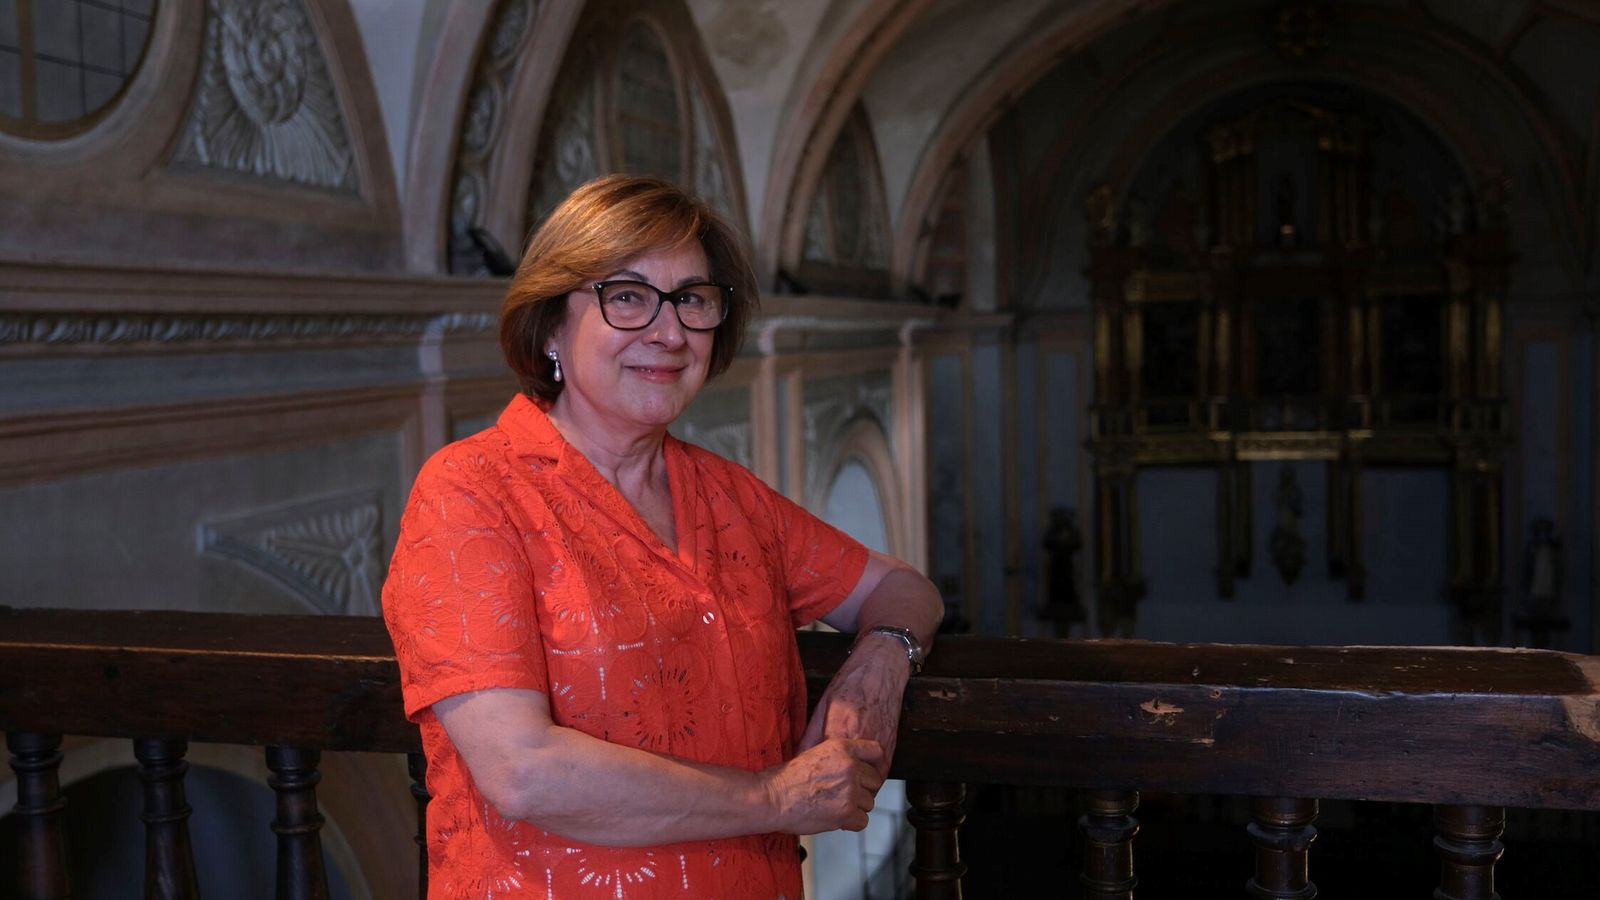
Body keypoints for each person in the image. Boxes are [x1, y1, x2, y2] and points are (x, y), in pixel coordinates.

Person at [382, 174, 944, 899]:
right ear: (551, 323)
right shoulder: (472, 492)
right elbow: (521, 770)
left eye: (692, 299)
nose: (670, 331)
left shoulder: (730, 496)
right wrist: (774, 799)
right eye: (627, 296)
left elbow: (904, 589)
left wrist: (881, 660)